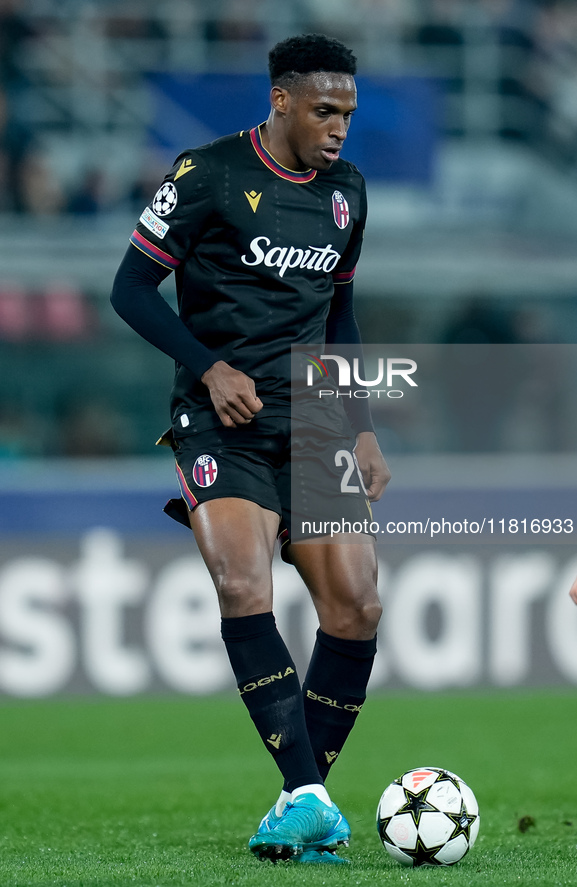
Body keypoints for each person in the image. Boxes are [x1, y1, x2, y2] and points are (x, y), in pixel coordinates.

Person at [111, 33, 391, 865]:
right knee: (242, 577)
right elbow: (128, 288)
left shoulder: (347, 192)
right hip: (218, 419)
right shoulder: (209, 174)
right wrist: (207, 366)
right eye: (323, 110)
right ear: (280, 101)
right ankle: (310, 797)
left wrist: (363, 421)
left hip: (313, 422)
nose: (338, 127)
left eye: (347, 112)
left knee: (357, 604)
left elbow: (338, 317)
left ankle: (296, 798)